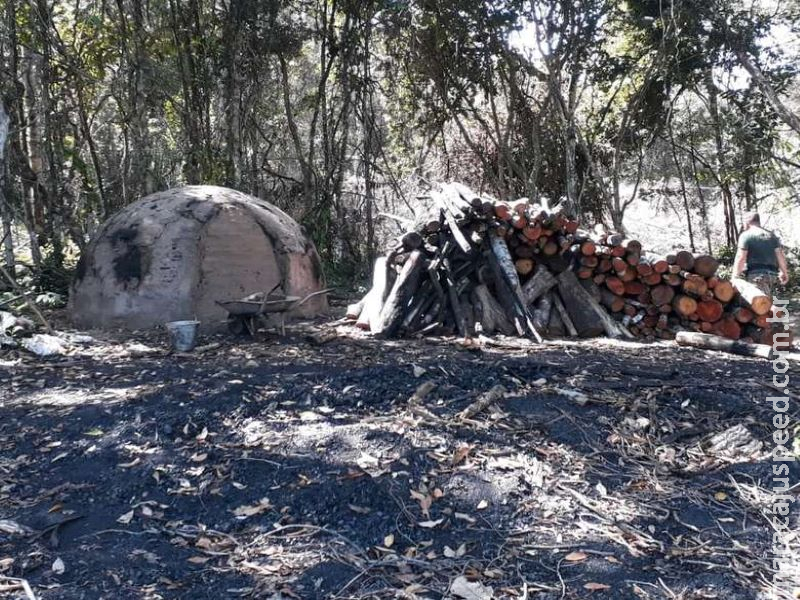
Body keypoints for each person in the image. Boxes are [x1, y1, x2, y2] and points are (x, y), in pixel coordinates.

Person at [733, 211, 789, 296]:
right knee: (767, 303)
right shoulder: (771, 236)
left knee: (760, 304)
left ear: (747, 222)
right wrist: (784, 272)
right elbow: (780, 255)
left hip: (757, 276)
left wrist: (735, 276)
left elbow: (741, 257)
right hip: (773, 275)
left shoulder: (746, 235)